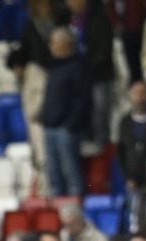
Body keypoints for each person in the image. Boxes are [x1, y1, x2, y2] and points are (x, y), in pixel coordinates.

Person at [40, 27, 92, 199]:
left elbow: (82, 99)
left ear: (66, 44)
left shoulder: (77, 67)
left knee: (71, 173)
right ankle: (57, 213)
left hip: (66, 129)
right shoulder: (54, 67)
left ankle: (75, 208)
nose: (50, 46)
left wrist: (69, 125)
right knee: (54, 174)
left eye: (54, 43)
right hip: (50, 127)